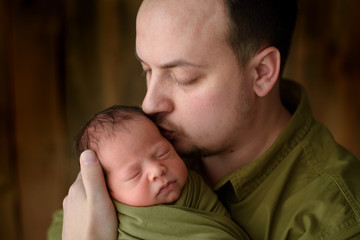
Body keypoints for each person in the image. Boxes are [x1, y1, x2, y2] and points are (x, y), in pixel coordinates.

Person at [60, 0, 360, 239]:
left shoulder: (338, 221)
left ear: (262, 72)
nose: (149, 104)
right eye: (147, 70)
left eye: (182, 77)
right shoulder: (131, 154)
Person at [48, 105, 248, 240]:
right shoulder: (96, 218)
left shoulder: (195, 184)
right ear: (105, 189)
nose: (156, 170)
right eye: (134, 174)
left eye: (163, 153)